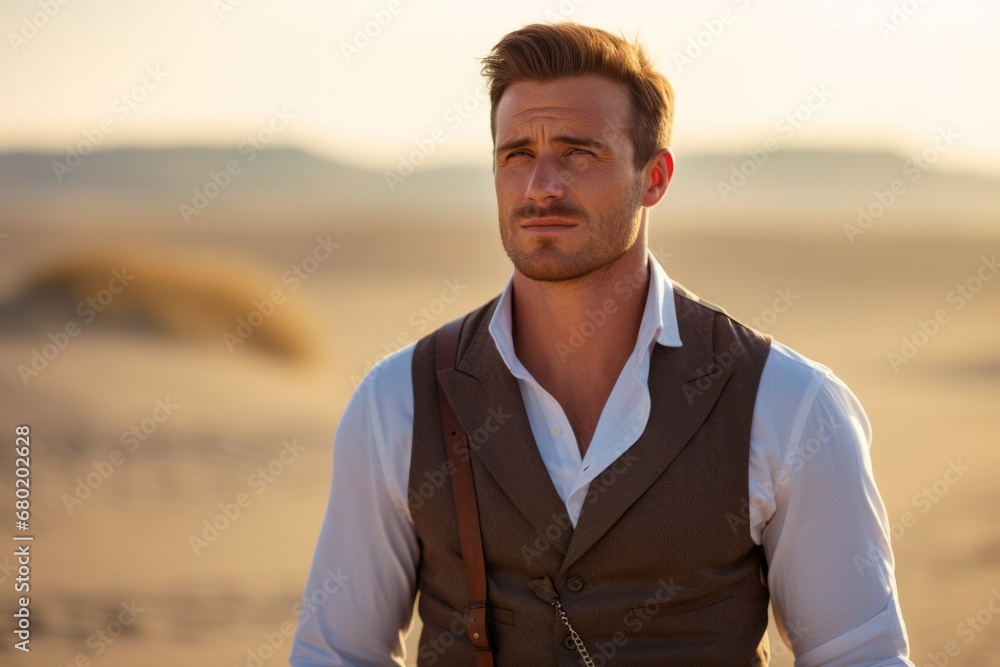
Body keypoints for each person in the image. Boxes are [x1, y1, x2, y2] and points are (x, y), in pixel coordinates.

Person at [290, 22, 913, 666]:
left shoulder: (788, 402)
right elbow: (337, 654)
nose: (540, 187)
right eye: (516, 155)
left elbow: (857, 655)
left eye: (577, 152)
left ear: (655, 178)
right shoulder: (397, 401)